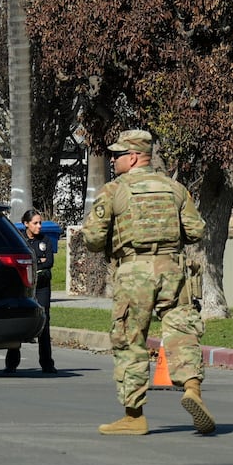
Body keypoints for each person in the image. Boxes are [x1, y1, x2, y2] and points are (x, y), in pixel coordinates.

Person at [81, 129, 213, 436]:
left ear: (135, 156)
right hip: (172, 269)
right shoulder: (175, 189)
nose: (113, 160)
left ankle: (134, 415)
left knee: (130, 339)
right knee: (182, 330)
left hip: (133, 271)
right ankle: (192, 388)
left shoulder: (114, 191)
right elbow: (196, 231)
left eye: (118, 155)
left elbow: (93, 237)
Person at [5, 208, 56, 373]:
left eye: (40, 223)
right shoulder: (20, 240)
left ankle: (47, 363)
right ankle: (12, 363)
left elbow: (48, 262)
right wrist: (36, 261)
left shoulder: (45, 240)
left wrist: (36, 262)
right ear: (26, 224)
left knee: (44, 322)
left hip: (42, 287)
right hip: (25, 287)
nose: (39, 226)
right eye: (35, 223)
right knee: (20, 321)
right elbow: (20, 261)